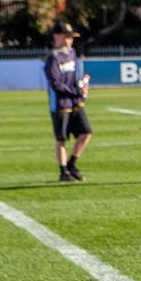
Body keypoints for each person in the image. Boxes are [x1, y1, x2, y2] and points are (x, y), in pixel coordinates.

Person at [44, 21, 92, 182]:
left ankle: (72, 164)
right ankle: (63, 171)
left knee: (86, 133)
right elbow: (56, 84)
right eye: (66, 37)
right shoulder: (53, 59)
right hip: (60, 104)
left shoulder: (71, 53)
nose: (69, 40)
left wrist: (82, 87)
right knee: (61, 139)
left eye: (71, 38)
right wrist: (76, 91)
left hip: (75, 101)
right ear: (57, 37)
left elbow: (74, 77)